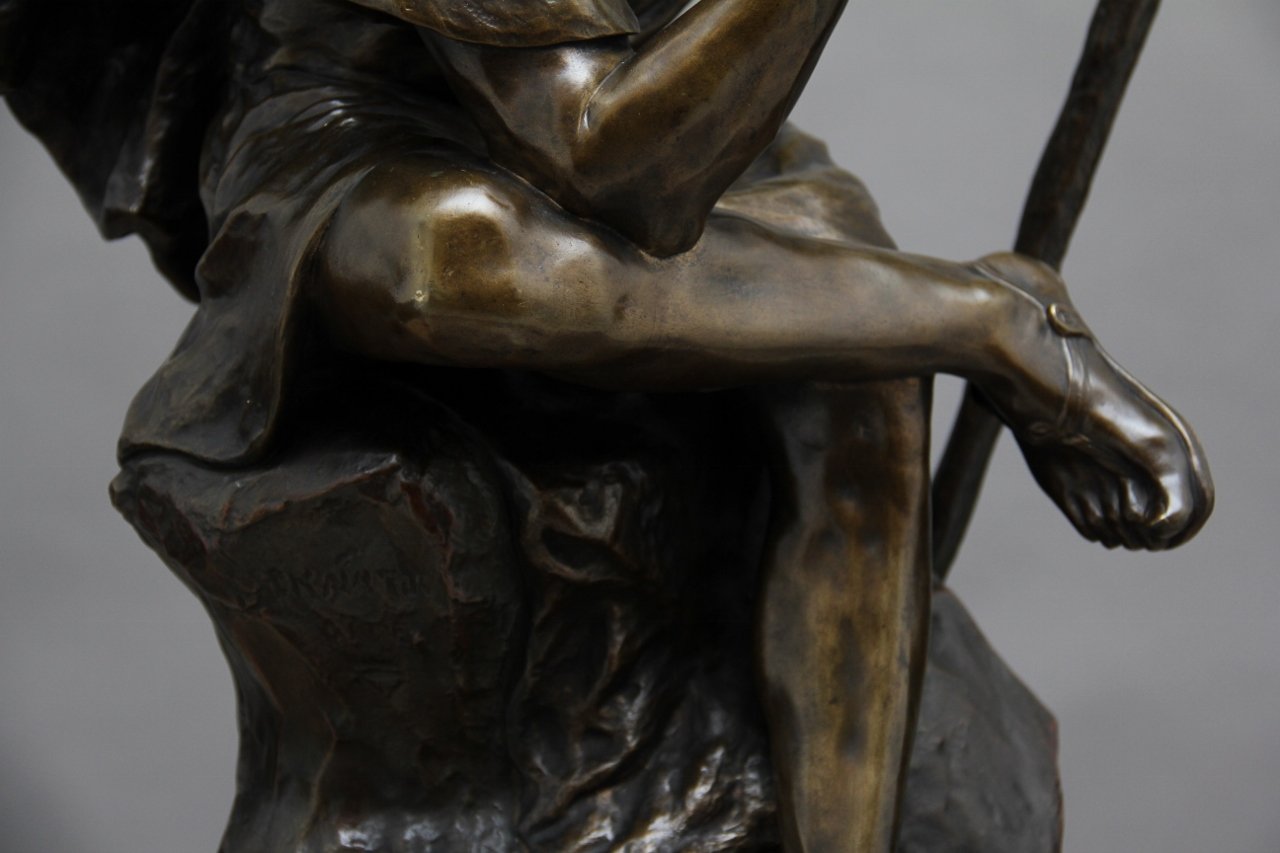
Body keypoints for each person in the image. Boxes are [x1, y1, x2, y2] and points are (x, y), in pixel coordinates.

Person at [3, 0, 1212, 849]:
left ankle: (841, 830)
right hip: (380, 149)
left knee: (851, 356)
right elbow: (611, 163)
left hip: (697, 131)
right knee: (450, 257)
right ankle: (986, 318)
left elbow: (675, 141)